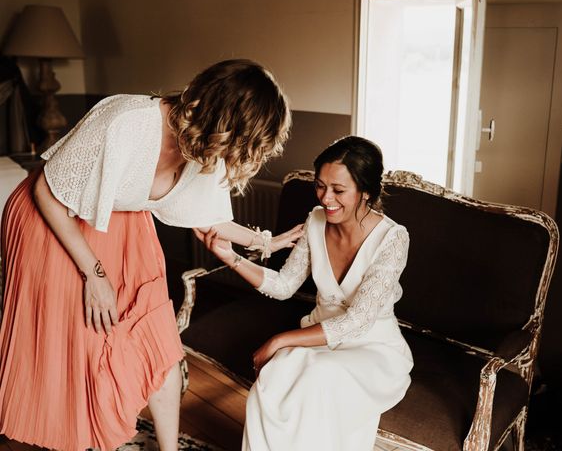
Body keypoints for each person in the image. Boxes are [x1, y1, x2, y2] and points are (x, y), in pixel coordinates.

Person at [0, 59, 303, 451]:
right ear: (218, 118)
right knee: (85, 346)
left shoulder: (206, 147)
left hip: (123, 225)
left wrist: (266, 242)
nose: (236, 157)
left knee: (160, 342)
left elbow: (207, 219)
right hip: (55, 219)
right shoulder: (125, 120)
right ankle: (76, 436)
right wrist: (95, 275)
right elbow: (45, 192)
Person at [198, 136, 414, 450]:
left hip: (371, 348)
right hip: (317, 339)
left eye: (339, 190)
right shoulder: (315, 220)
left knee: (319, 380)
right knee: (271, 382)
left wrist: (279, 339)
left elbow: (356, 321)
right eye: (320, 186)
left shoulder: (393, 238)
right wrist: (231, 257)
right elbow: (284, 286)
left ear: (366, 191)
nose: (326, 198)